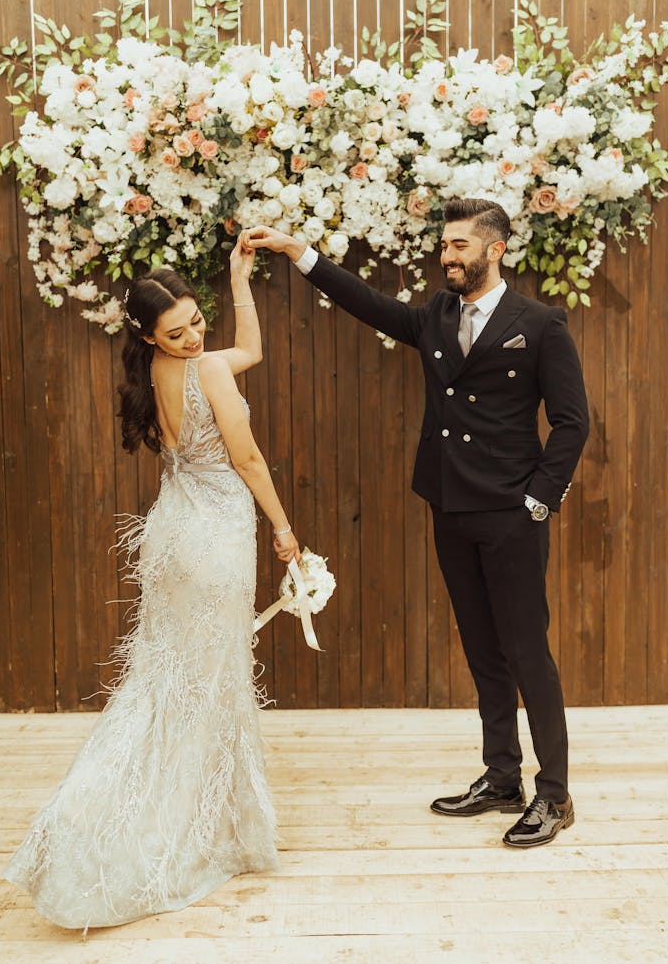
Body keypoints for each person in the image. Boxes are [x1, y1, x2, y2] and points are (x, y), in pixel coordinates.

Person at [244, 196, 589, 849]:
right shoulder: (436, 315)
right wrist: (300, 253)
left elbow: (573, 422)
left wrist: (538, 500)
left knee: (527, 652)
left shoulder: (540, 324)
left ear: (496, 250)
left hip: (512, 515)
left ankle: (554, 794)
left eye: (460, 245)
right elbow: (370, 305)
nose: (447, 256)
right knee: (484, 651)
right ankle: (502, 778)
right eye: (445, 245)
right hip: (449, 508)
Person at [4, 233, 300, 931]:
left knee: (171, 684)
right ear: (148, 334)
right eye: (178, 331)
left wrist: (239, 282)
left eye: (198, 321)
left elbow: (248, 349)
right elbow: (249, 457)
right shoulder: (207, 376)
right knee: (203, 681)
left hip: (174, 532)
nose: (196, 337)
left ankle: (194, 815)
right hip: (213, 539)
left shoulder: (163, 372)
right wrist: (286, 532)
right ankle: (152, 825)